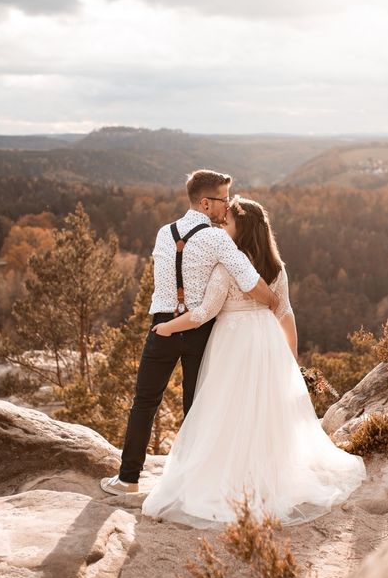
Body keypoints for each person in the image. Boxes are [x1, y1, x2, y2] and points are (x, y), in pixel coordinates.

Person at [140, 196, 366, 527]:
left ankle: (232, 476)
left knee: (227, 409)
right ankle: (268, 474)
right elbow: (285, 313)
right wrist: (291, 358)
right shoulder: (276, 269)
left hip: (233, 343)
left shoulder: (227, 266)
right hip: (267, 343)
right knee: (264, 411)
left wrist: (168, 326)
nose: (221, 227)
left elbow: (203, 313)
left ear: (241, 229)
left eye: (227, 223)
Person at [100, 170, 279, 496]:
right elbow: (249, 280)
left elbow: (163, 279)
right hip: (200, 330)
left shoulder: (163, 233)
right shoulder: (218, 238)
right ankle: (193, 484)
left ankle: (128, 479)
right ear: (205, 202)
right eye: (224, 200)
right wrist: (274, 302)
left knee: (144, 403)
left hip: (163, 326)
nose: (227, 207)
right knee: (197, 407)